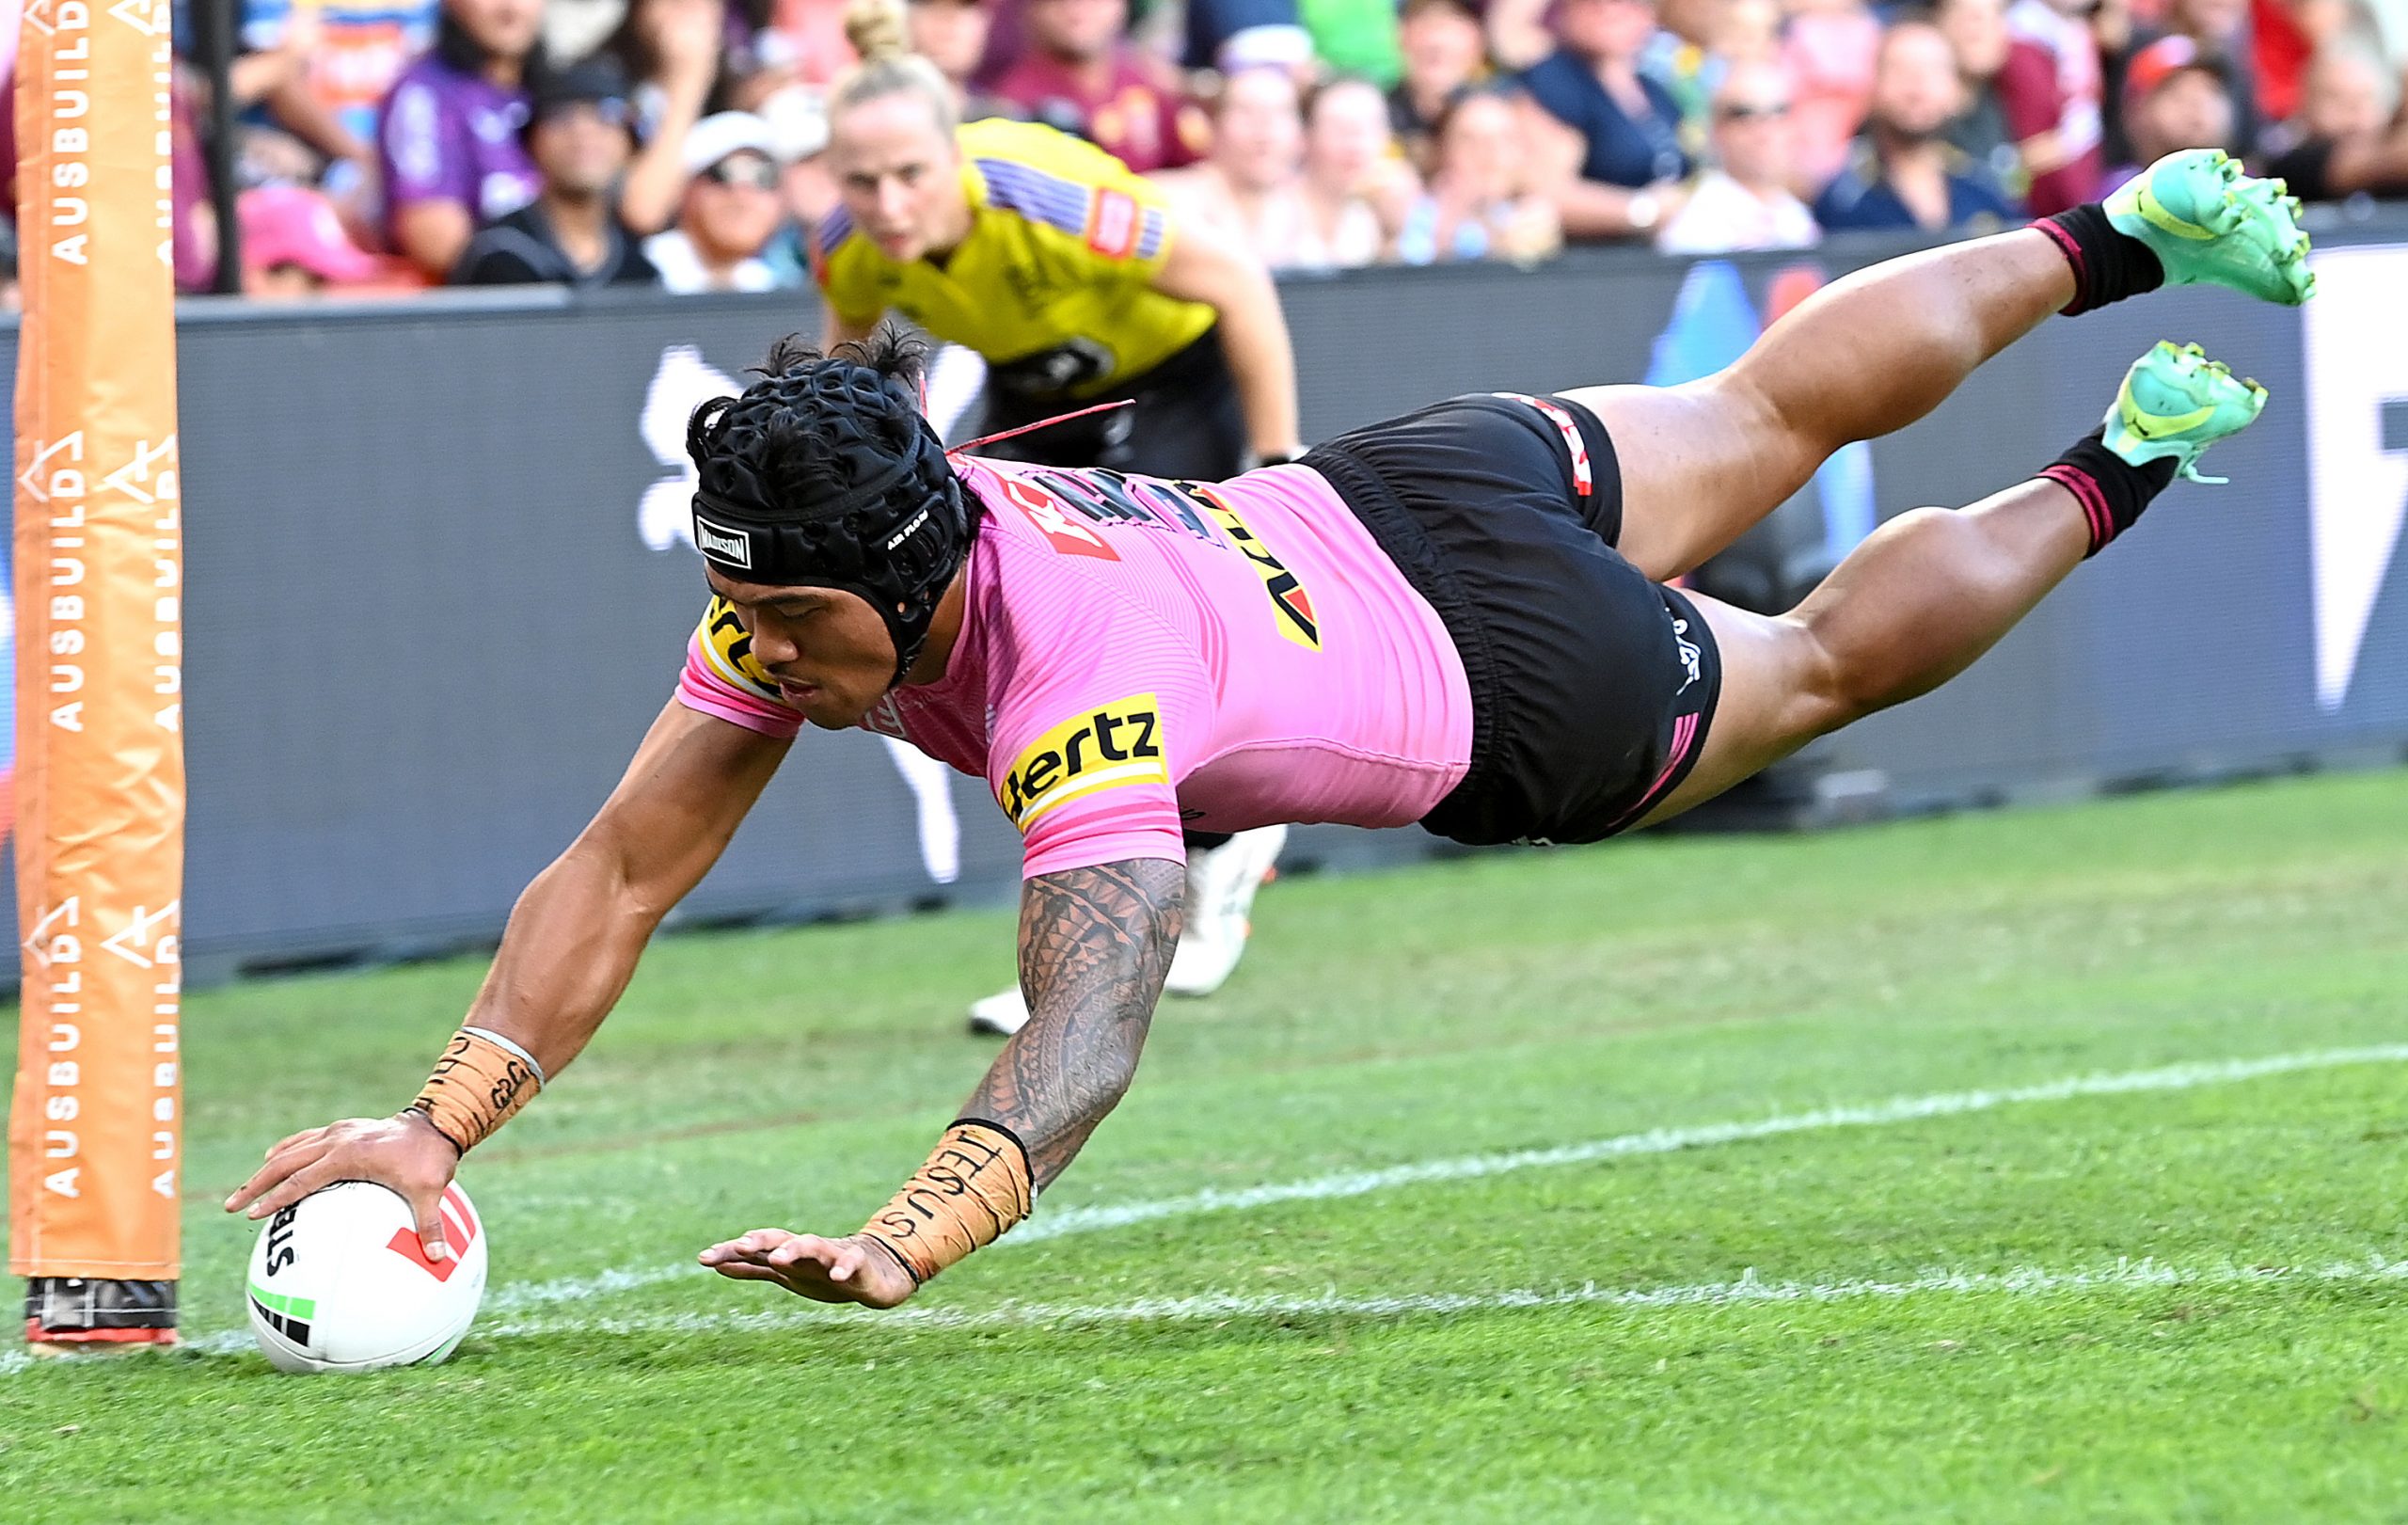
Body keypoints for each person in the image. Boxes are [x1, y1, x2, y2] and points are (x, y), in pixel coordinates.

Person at [225, 149, 2314, 1305]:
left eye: (784, 618)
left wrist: (921, 1222)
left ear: (910, 577)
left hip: (1512, 688)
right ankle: (2121, 234)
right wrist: (442, 1120)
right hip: (1403, 485)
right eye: (734, 601)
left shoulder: (1070, 677)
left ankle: (2124, 456)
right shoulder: (842, 571)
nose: (758, 653)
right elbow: (621, 864)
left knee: (1822, 664)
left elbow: (1098, 1009)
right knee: (1763, 410)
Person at [814, 0, 1306, 1032]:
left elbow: (1237, 282)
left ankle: (1220, 866)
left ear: (953, 156)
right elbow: (850, 381)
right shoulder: (850, 250)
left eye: (911, 175)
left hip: (1179, 377)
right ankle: (1084, 941)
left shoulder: (1045, 192)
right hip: (1039, 396)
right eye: (861, 183)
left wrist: (1273, 465)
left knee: (1161, 626)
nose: (889, 204)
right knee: (994, 620)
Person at [452, 59, 663, 287]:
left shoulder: (640, 268)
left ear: (631, 145)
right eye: (561, 117)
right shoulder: (500, 255)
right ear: (531, 142)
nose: (584, 134)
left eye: (606, 116)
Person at [378, 0, 547, 278]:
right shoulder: (425, 94)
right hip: (482, 308)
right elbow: (436, 240)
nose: (511, 8)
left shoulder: (561, 90)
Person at [1814, 20, 2021, 233]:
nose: (1917, 88)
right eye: (1899, 70)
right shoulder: (1843, 199)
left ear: (1957, 89)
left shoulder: (1984, 186)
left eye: (1933, 70)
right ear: (1873, 86)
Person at [1519, 0, 1693, 240]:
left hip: (1667, 257)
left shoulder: (1655, 91)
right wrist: (1643, 211)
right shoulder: (1552, 82)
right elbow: (1546, 193)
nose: (1609, 9)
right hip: (1594, 264)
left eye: (1629, 3)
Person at [988, 0, 1210, 172]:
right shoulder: (1016, 102)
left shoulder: (1145, 78)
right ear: (1033, 9)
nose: (1078, 8)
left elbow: (1196, 163)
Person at [1656, 59, 1818, 254]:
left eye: (1779, 112)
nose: (1764, 131)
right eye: (1742, 114)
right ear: (1715, 129)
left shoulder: (1796, 218)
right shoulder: (1698, 223)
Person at [1395, 87, 1562, 262]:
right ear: (1441, 151)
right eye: (1470, 141)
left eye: (1505, 139)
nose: (1490, 153)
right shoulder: (1409, 215)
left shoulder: (1530, 217)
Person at [644, 112, 799, 291]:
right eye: (723, 175)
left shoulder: (775, 287)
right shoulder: (636, 272)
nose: (743, 196)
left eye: (764, 177)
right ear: (685, 189)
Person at [2259, 39, 2408, 200]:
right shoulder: (2291, 162)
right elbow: (2362, 167)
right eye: (2336, 98)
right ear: (2305, 105)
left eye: (2366, 98)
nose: (2354, 111)